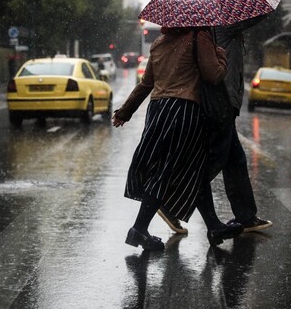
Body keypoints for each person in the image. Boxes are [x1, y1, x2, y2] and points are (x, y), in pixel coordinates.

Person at [112, 26, 243, 250]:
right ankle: (139, 229)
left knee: (192, 168)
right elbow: (213, 75)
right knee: (169, 169)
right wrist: (221, 56)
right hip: (184, 109)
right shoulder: (198, 36)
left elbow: (146, 84)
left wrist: (125, 111)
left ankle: (213, 225)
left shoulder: (159, 43)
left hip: (158, 109)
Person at [157, 22, 273, 234]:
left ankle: (245, 216)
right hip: (221, 102)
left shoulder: (220, 27)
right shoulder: (222, 25)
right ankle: (170, 200)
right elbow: (258, 16)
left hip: (226, 100)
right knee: (215, 158)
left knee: (234, 159)